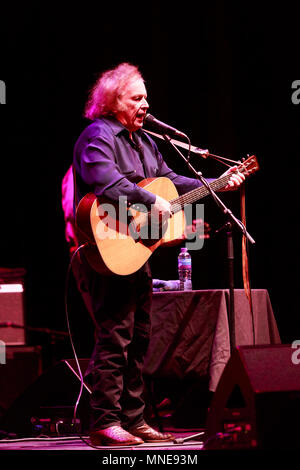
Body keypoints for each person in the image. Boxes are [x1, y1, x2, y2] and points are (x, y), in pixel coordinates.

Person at [72, 62, 244, 447]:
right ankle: (103, 422)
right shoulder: (97, 136)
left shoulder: (146, 142)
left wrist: (216, 186)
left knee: (141, 336)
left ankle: (133, 420)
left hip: (136, 253)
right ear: (112, 102)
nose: (145, 103)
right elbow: (106, 181)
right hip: (108, 245)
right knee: (115, 336)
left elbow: (172, 180)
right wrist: (150, 199)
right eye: (136, 97)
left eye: (146, 97)